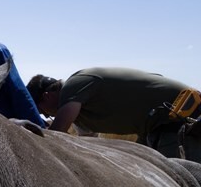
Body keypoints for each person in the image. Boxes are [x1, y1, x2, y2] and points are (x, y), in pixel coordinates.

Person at [26, 68, 201, 160]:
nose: (48, 116)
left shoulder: (75, 85)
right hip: (157, 128)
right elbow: (88, 145)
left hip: (184, 115)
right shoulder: (80, 109)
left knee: (178, 184)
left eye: (42, 111)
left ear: (46, 96)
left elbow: (56, 133)